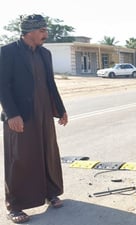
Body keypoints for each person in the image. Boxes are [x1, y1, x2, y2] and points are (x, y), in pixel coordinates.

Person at [0, 14, 68, 223]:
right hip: (20, 115)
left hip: (44, 112)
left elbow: (50, 84)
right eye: (42, 31)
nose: (46, 35)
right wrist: (12, 114)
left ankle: (50, 192)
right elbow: (2, 85)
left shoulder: (45, 54)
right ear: (29, 32)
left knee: (48, 152)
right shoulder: (7, 52)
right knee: (19, 158)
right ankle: (15, 205)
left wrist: (60, 109)